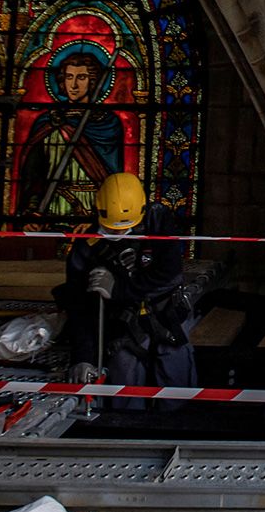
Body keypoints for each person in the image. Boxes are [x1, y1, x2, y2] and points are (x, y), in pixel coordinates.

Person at [56, 171, 196, 406]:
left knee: (176, 385)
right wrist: (83, 358)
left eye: (125, 228)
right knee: (124, 385)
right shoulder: (87, 249)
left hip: (165, 320)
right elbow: (80, 308)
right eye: (112, 229)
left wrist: (118, 288)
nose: (119, 233)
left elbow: (170, 275)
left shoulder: (157, 222)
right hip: (121, 328)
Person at [17, 50, 126, 219]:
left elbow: (113, 176)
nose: (73, 85)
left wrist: (100, 220)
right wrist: (32, 211)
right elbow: (34, 175)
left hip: (95, 208)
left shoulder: (107, 123)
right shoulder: (49, 122)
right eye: (69, 77)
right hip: (53, 207)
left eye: (81, 77)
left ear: (93, 81)